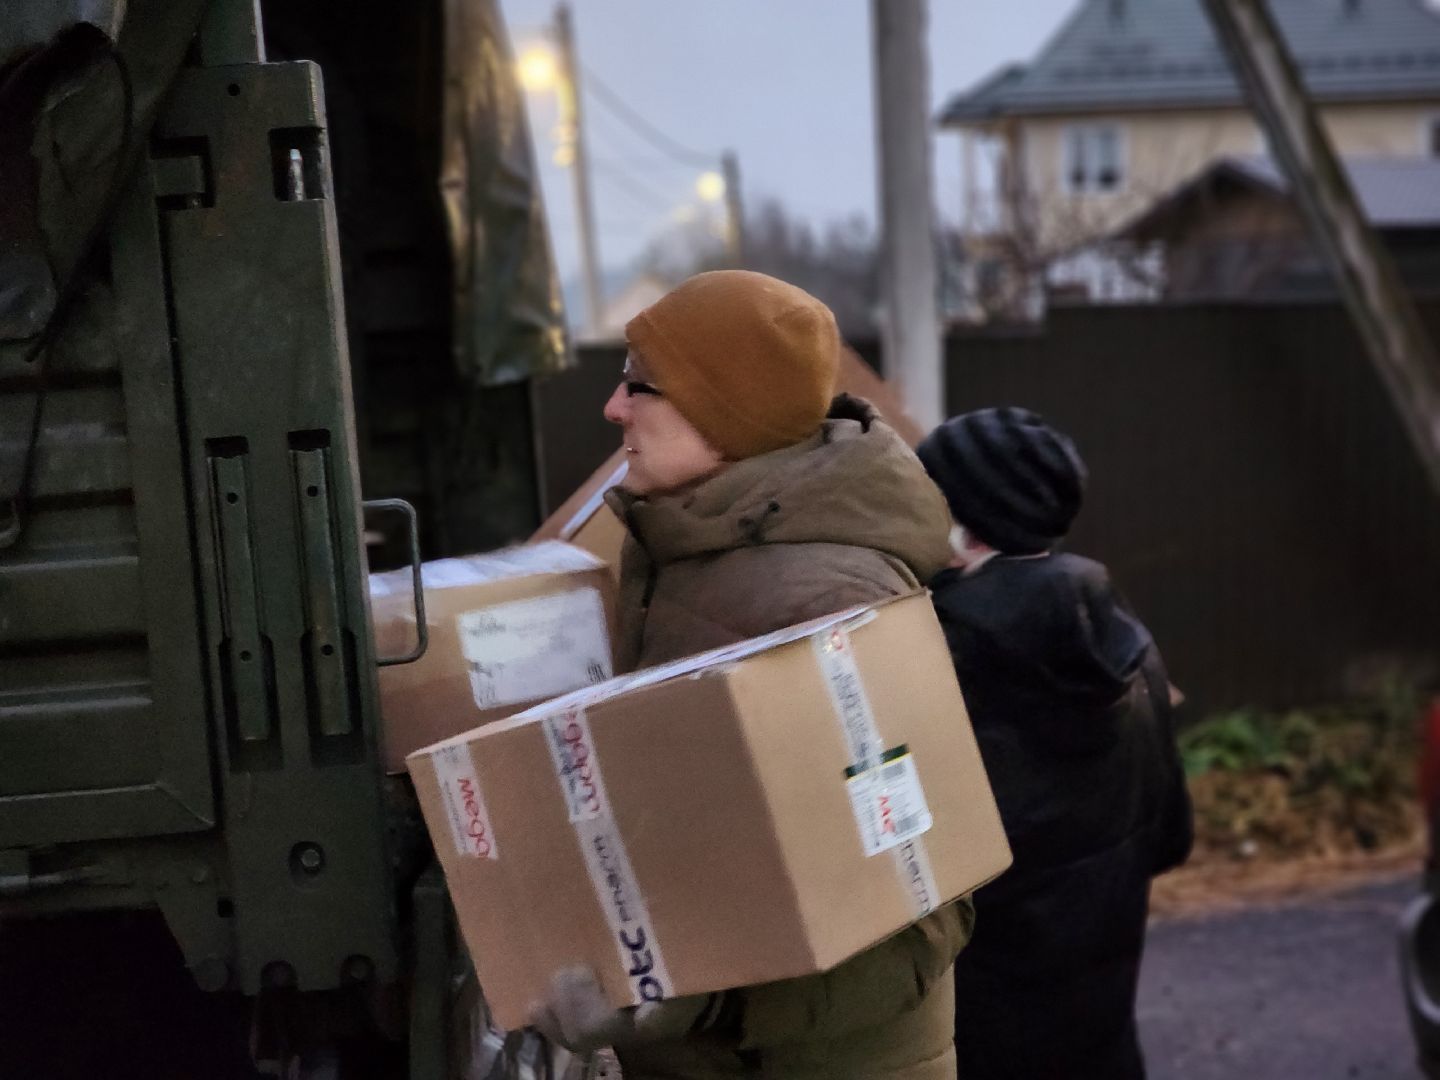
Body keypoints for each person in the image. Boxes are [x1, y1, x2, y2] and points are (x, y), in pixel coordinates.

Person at [526, 270, 973, 1078]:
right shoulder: (681, 549)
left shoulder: (835, 602)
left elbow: (917, 914)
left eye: (640, 385)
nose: (614, 408)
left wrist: (689, 1002)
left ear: (722, 411)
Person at [916, 407, 1193, 1080]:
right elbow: (1171, 837)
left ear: (960, 521)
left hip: (975, 1036)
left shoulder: (937, 658)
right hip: (1101, 1037)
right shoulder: (1127, 642)